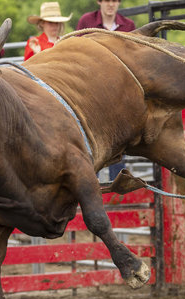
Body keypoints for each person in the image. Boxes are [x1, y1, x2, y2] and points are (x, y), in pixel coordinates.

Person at [77, 0, 135, 181]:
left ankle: (117, 186)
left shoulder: (129, 25)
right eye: (107, 0)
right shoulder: (86, 21)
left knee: (118, 139)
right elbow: (77, 51)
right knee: (91, 137)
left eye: (115, 0)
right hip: (92, 89)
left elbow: (134, 56)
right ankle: (90, 184)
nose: (111, 4)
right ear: (99, 2)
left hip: (119, 90)